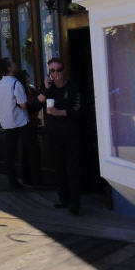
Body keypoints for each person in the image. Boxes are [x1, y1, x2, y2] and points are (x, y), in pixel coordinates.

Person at [39, 57, 84, 215]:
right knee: (59, 167)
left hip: (71, 134)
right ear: (49, 72)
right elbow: (37, 103)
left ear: (64, 71)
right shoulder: (49, 88)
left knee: (72, 168)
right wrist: (45, 89)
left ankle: (74, 203)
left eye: (58, 70)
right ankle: (64, 199)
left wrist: (59, 113)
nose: (56, 73)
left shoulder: (72, 88)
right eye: (53, 70)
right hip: (54, 134)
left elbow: (78, 110)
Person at [0, 58, 29, 190]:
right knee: (27, 149)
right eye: (13, 63)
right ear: (9, 68)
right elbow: (23, 104)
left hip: (7, 123)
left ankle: (12, 181)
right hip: (20, 121)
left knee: (10, 153)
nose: (16, 64)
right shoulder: (15, 83)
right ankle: (28, 177)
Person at [16, 69, 43, 187]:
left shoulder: (29, 89)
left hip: (30, 121)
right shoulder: (22, 90)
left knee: (27, 151)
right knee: (32, 151)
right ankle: (35, 180)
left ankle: (27, 178)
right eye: (26, 77)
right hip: (27, 122)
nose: (29, 79)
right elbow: (28, 106)